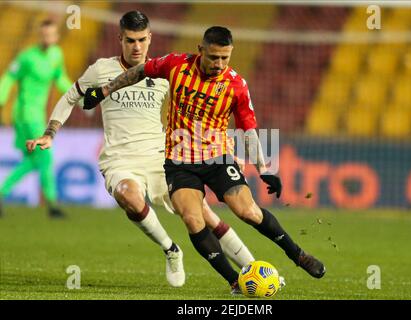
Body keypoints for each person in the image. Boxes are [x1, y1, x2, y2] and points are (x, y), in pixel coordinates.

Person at [81, 26, 326, 293]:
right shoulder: (176, 65)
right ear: (201, 51)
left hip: (217, 158)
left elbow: (248, 129)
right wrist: (105, 90)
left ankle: (298, 255)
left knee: (248, 212)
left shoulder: (236, 85)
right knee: (193, 219)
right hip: (179, 162)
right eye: (213, 57)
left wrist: (264, 168)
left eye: (225, 58)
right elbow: (140, 71)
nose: (219, 64)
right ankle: (234, 281)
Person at [27, 11, 259, 288]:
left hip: (163, 157)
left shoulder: (163, 72)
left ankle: (255, 270)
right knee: (129, 196)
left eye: (141, 40)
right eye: (130, 40)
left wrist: (225, 151)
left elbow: (199, 114)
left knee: (204, 215)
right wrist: (50, 133)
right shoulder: (101, 69)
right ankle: (171, 249)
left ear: (149, 39)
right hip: (119, 158)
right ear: (120, 39)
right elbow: (70, 97)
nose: (136, 46)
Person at [0, 19, 72, 218]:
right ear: (40, 36)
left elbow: (60, 79)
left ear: (56, 37)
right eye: (44, 34)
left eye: (51, 34)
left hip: (38, 115)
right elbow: (9, 77)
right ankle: (52, 204)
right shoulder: (27, 57)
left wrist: (80, 97)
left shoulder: (56, 55)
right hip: (25, 114)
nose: (47, 38)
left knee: (33, 161)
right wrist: (1, 97)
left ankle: (3, 193)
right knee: (45, 156)